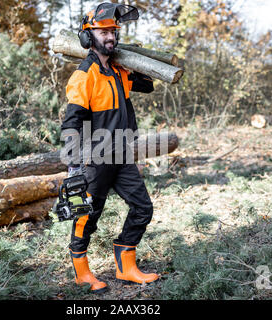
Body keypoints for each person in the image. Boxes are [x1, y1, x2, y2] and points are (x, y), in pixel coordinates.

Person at [60, 2, 158, 294]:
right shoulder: (83, 76)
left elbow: (149, 84)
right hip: (95, 157)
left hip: (121, 155)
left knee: (143, 208)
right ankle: (81, 273)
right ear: (88, 36)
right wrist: (75, 165)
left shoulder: (119, 71)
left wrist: (133, 63)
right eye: (103, 31)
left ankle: (125, 265)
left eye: (114, 30)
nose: (111, 36)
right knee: (87, 216)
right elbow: (71, 122)